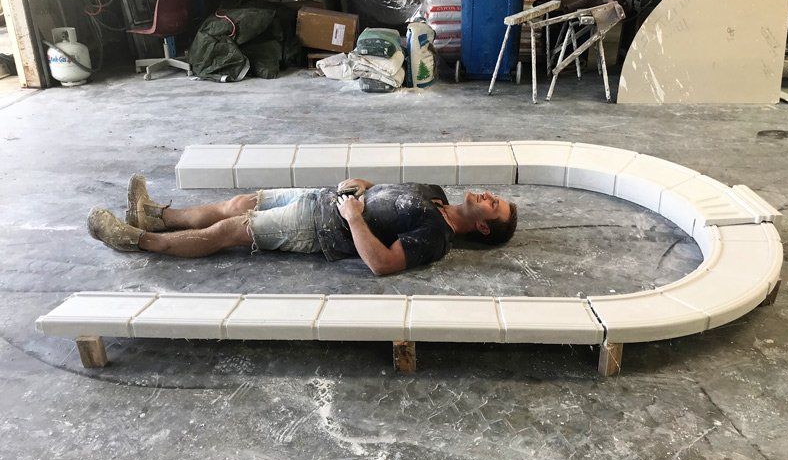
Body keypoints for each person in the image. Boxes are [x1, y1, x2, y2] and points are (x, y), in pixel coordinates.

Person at [87, 174, 518, 276]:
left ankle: (138, 241)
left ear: (483, 229)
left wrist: (353, 220)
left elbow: (383, 263)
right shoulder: (435, 193)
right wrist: (361, 184)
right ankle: (156, 216)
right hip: (322, 197)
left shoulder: (436, 238)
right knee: (240, 201)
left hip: (319, 227)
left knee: (232, 230)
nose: (488, 195)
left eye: (494, 205)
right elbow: (382, 190)